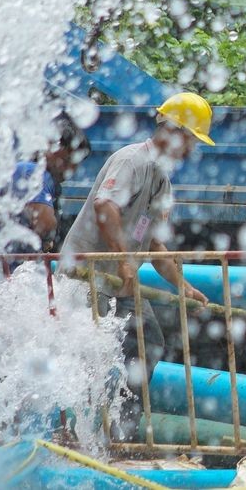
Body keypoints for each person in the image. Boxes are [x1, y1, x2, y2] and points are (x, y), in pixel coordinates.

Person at [61, 92, 212, 438]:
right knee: (87, 354)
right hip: (87, 277)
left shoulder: (162, 181)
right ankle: (72, 432)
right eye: (190, 140)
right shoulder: (132, 161)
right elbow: (105, 207)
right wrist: (125, 261)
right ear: (173, 132)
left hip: (117, 282)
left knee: (149, 341)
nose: (190, 151)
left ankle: (122, 432)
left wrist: (183, 285)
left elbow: (155, 243)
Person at [0, 114, 91, 308]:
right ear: (56, 149)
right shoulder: (32, 171)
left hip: (2, 263)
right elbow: (45, 224)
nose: (72, 169)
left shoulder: (38, 175)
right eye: (71, 160)